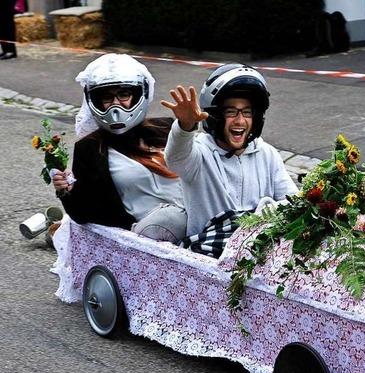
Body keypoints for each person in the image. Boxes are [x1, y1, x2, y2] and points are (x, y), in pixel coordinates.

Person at [161, 64, 297, 252]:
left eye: (247, 112)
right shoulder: (200, 153)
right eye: (231, 112)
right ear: (216, 116)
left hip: (259, 256)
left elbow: (292, 202)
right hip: (209, 258)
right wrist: (185, 126)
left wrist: (258, 218)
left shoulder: (267, 154)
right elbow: (176, 157)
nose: (240, 121)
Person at [52, 53, 187, 243]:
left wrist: (188, 127)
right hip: (147, 239)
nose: (115, 105)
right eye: (107, 97)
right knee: (168, 220)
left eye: (124, 94)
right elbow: (84, 213)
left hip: (196, 222)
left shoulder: (164, 128)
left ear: (139, 95)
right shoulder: (90, 147)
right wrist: (64, 191)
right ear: (96, 101)